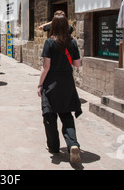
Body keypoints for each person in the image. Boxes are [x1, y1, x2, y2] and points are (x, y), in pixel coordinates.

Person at [37, 14, 82, 164]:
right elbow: (77, 64)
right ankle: (73, 144)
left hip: (52, 83)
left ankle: (54, 147)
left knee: (49, 115)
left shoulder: (49, 42)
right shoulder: (72, 42)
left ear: (53, 26)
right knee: (66, 114)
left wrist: (40, 84)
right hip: (67, 82)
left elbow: (46, 67)